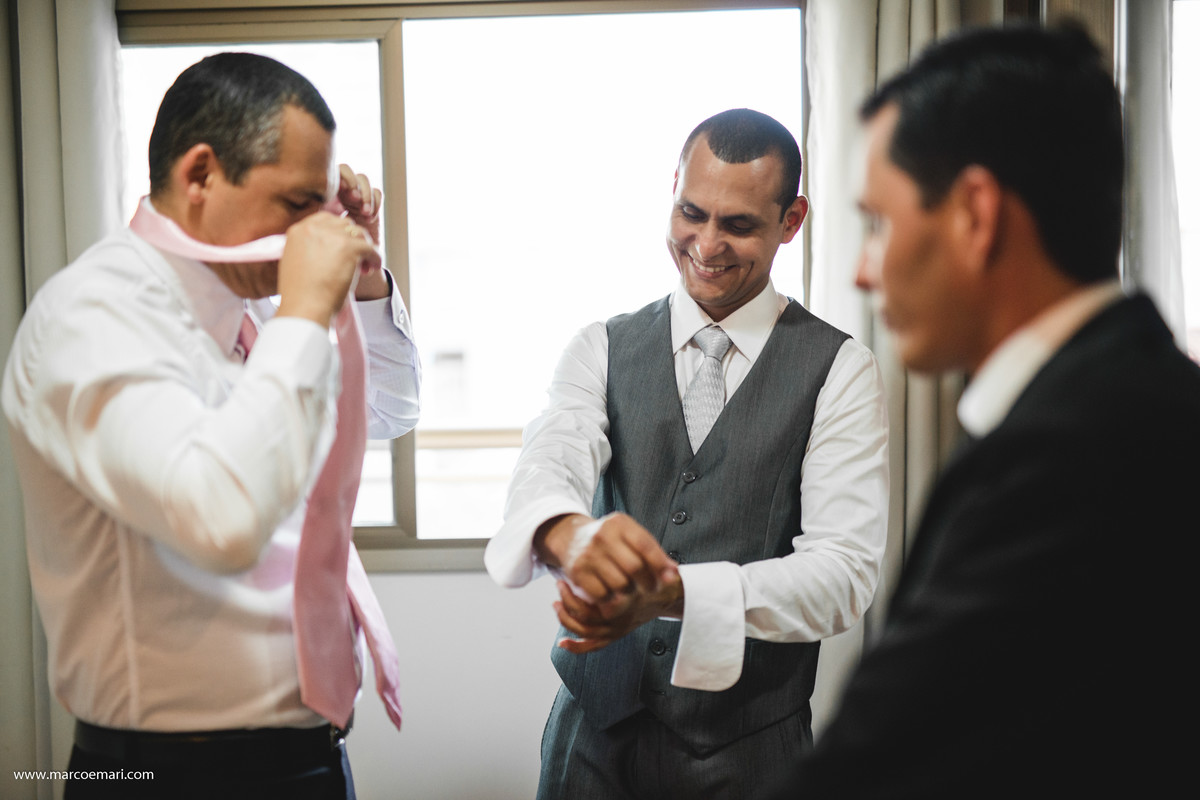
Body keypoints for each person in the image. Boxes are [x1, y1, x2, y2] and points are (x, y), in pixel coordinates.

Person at [778, 24, 1200, 798]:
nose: (864, 271)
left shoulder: (1073, 455)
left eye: (877, 223)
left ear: (975, 214)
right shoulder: (1139, 398)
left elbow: (878, 767)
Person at [2, 53, 420, 799]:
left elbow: (389, 409)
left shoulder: (255, 308)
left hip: (313, 755)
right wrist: (303, 314)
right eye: (297, 203)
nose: (313, 230)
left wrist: (356, 283)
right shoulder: (93, 315)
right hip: (170, 774)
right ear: (200, 175)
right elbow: (219, 516)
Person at [486, 108, 890, 799]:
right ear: (672, 190)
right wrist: (569, 535)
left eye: (739, 225)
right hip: (589, 744)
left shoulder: (841, 370)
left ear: (791, 221)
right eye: (691, 213)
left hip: (752, 754)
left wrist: (674, 594)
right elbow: (549, 460)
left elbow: (842, 574)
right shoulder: (599, 346)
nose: (706, 244)